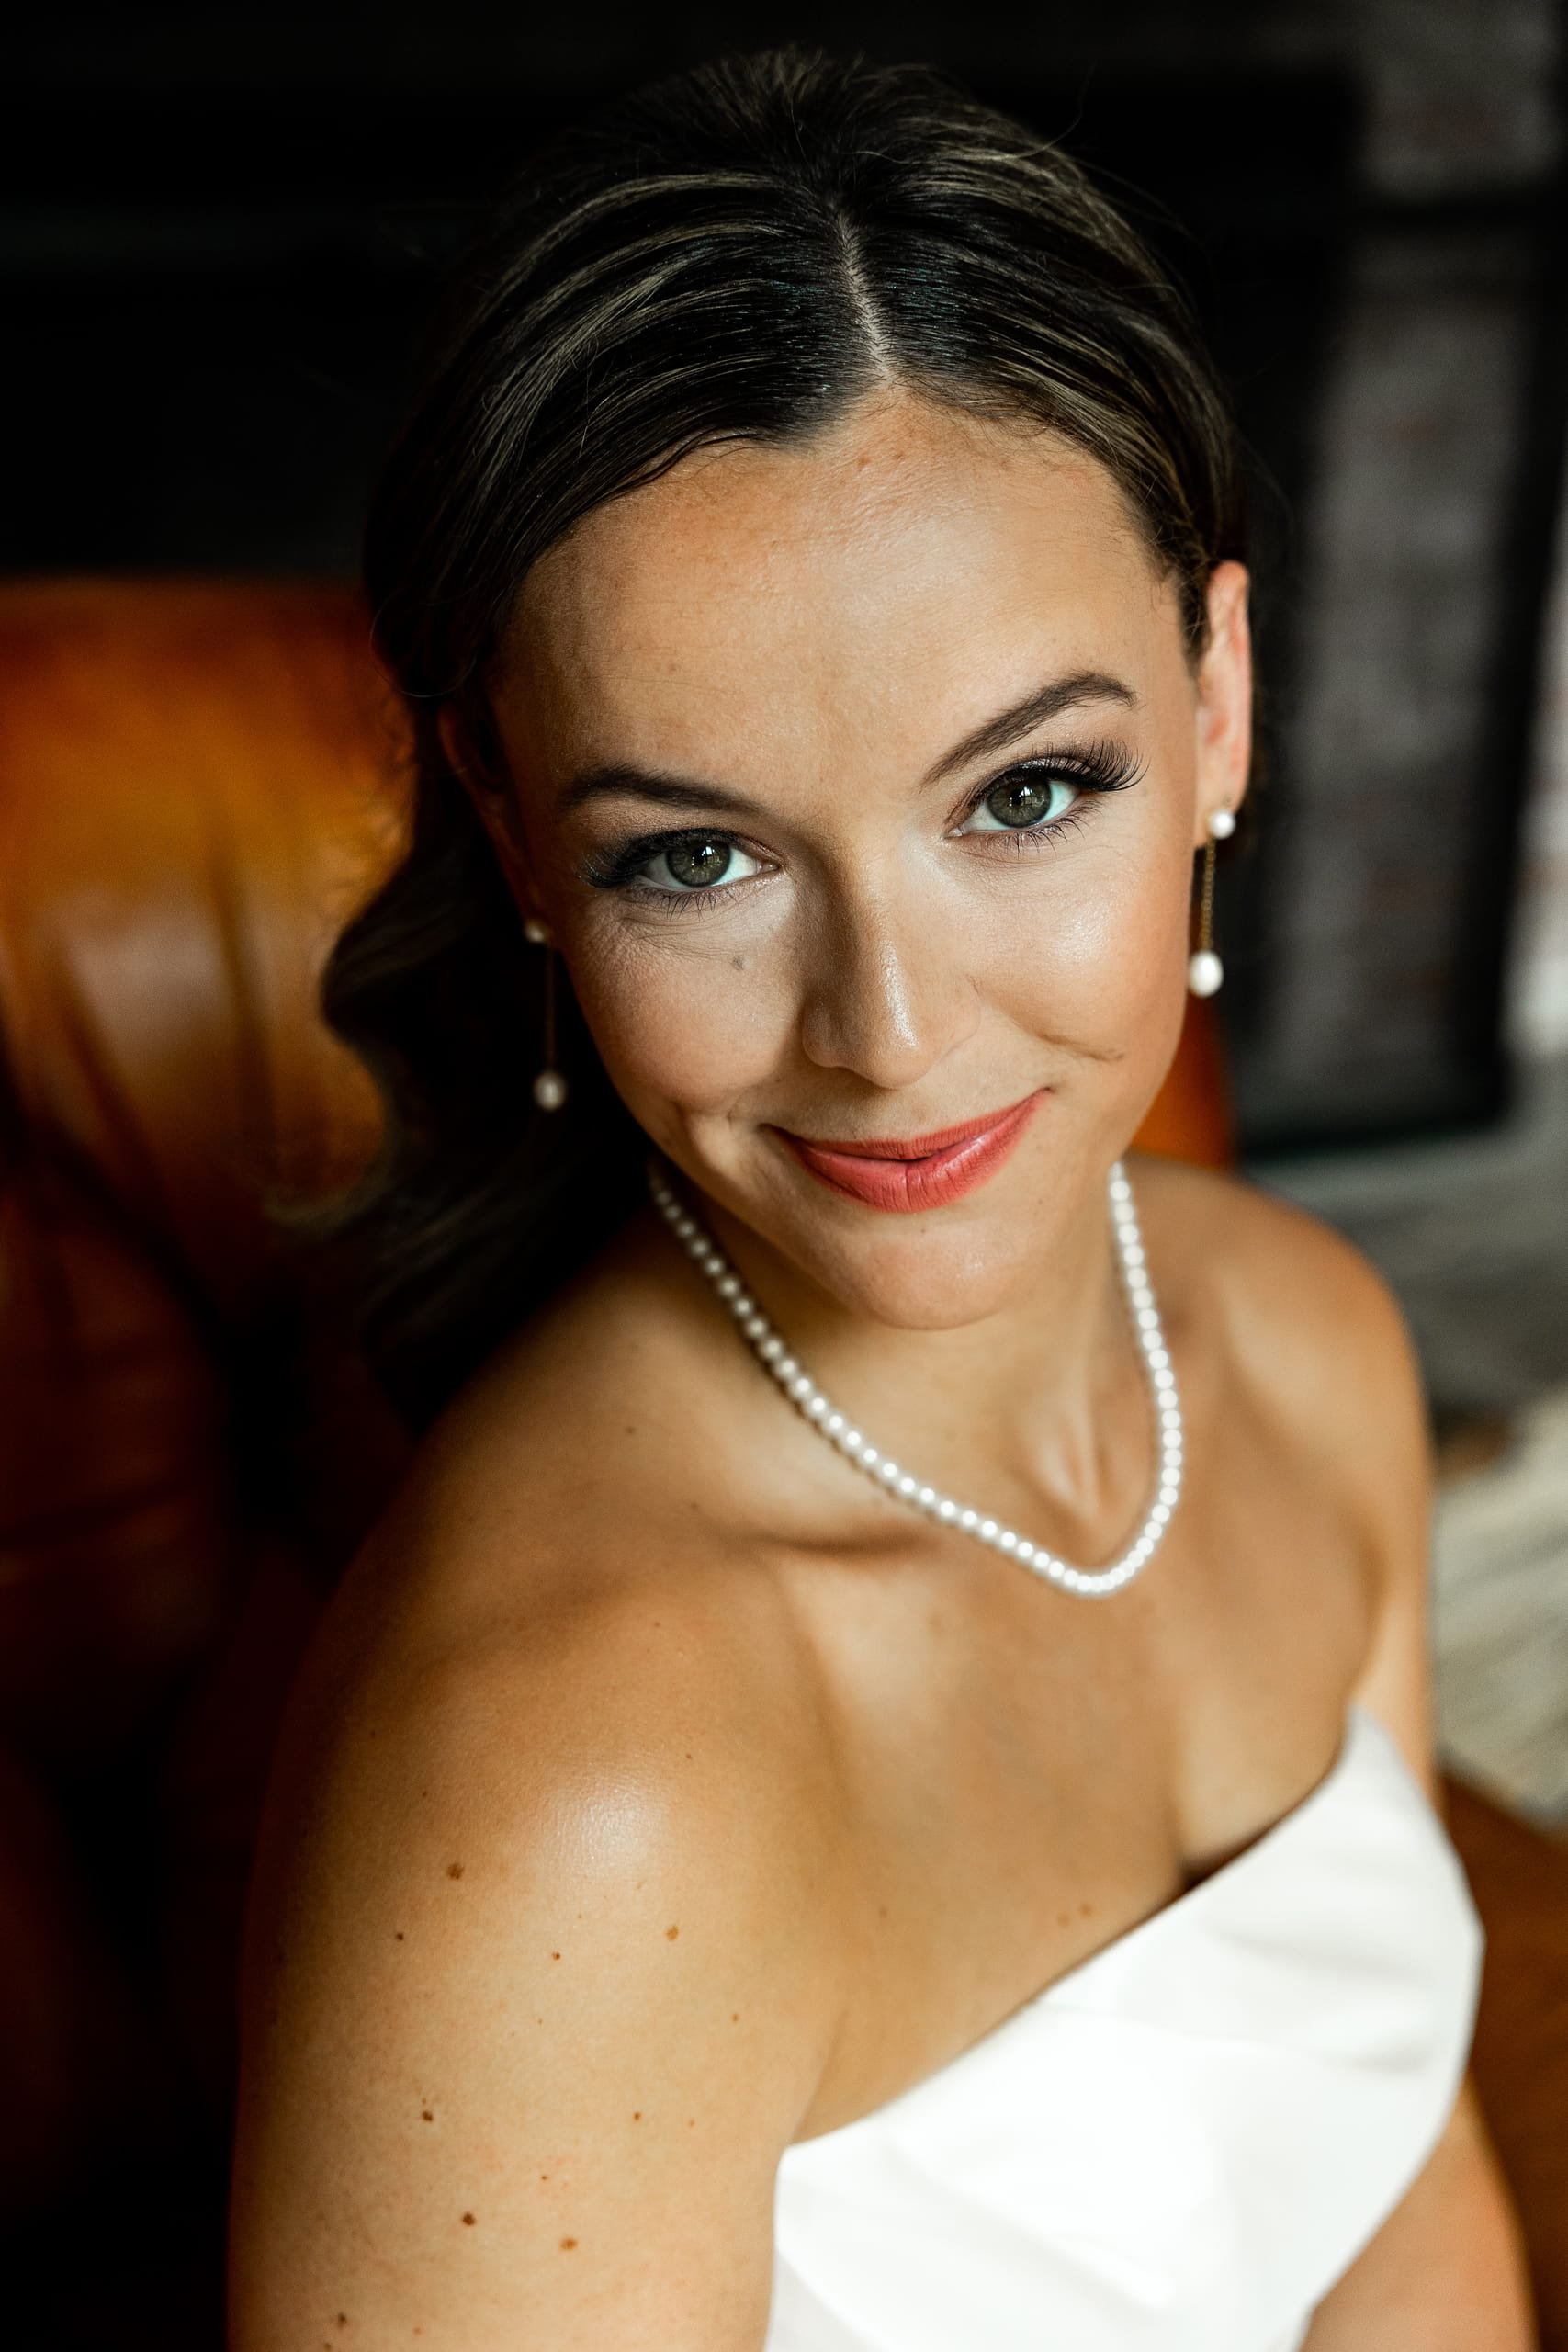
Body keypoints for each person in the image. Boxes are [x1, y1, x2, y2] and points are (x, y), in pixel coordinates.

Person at [228, 51, 1533, 2351]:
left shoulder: (1301, 1349)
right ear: (518, 833)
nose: (891, 1031)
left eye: (1024, 792)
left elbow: (1383, 2192)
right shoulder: (572, 1797)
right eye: (696, 855)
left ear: (1215, 696)